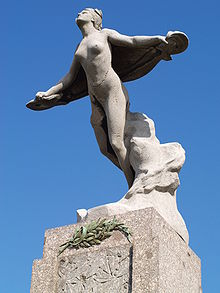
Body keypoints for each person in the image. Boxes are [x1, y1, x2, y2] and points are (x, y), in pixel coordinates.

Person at [34, 8, 180, 188]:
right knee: (104, 149)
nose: (80, 12)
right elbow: (69, 78)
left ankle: (132, 188)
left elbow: (132, 41)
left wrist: (156, 39)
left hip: (112, 91)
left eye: (85, 11)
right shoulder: (80, 46)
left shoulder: (105, 34)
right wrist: (48, 92)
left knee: (116, 143)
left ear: (95, 20)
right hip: (95, 97)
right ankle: (137, 173)